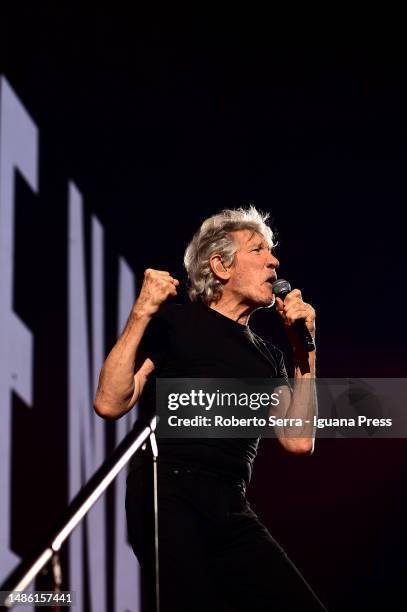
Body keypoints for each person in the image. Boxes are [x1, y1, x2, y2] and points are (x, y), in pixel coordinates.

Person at [94, 207, 328, 612]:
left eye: (272, 253)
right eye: (258, 250)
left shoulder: (270, 356)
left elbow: (298, 440)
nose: (274, 261)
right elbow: (110, 402)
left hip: (230, 503)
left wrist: (302, 351)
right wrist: (141, 313)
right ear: (220, 266)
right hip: (168, 493)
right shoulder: (175, 323)